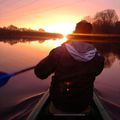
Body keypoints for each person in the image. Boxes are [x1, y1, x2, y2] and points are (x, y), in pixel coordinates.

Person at [34, 22, 104, 113]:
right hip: (83, 104)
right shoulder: (98, 57)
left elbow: (40, 73)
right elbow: (97, 72)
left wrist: (54, 62)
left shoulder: (58, 52)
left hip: (59, 103)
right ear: (90, 35)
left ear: (75, 33)